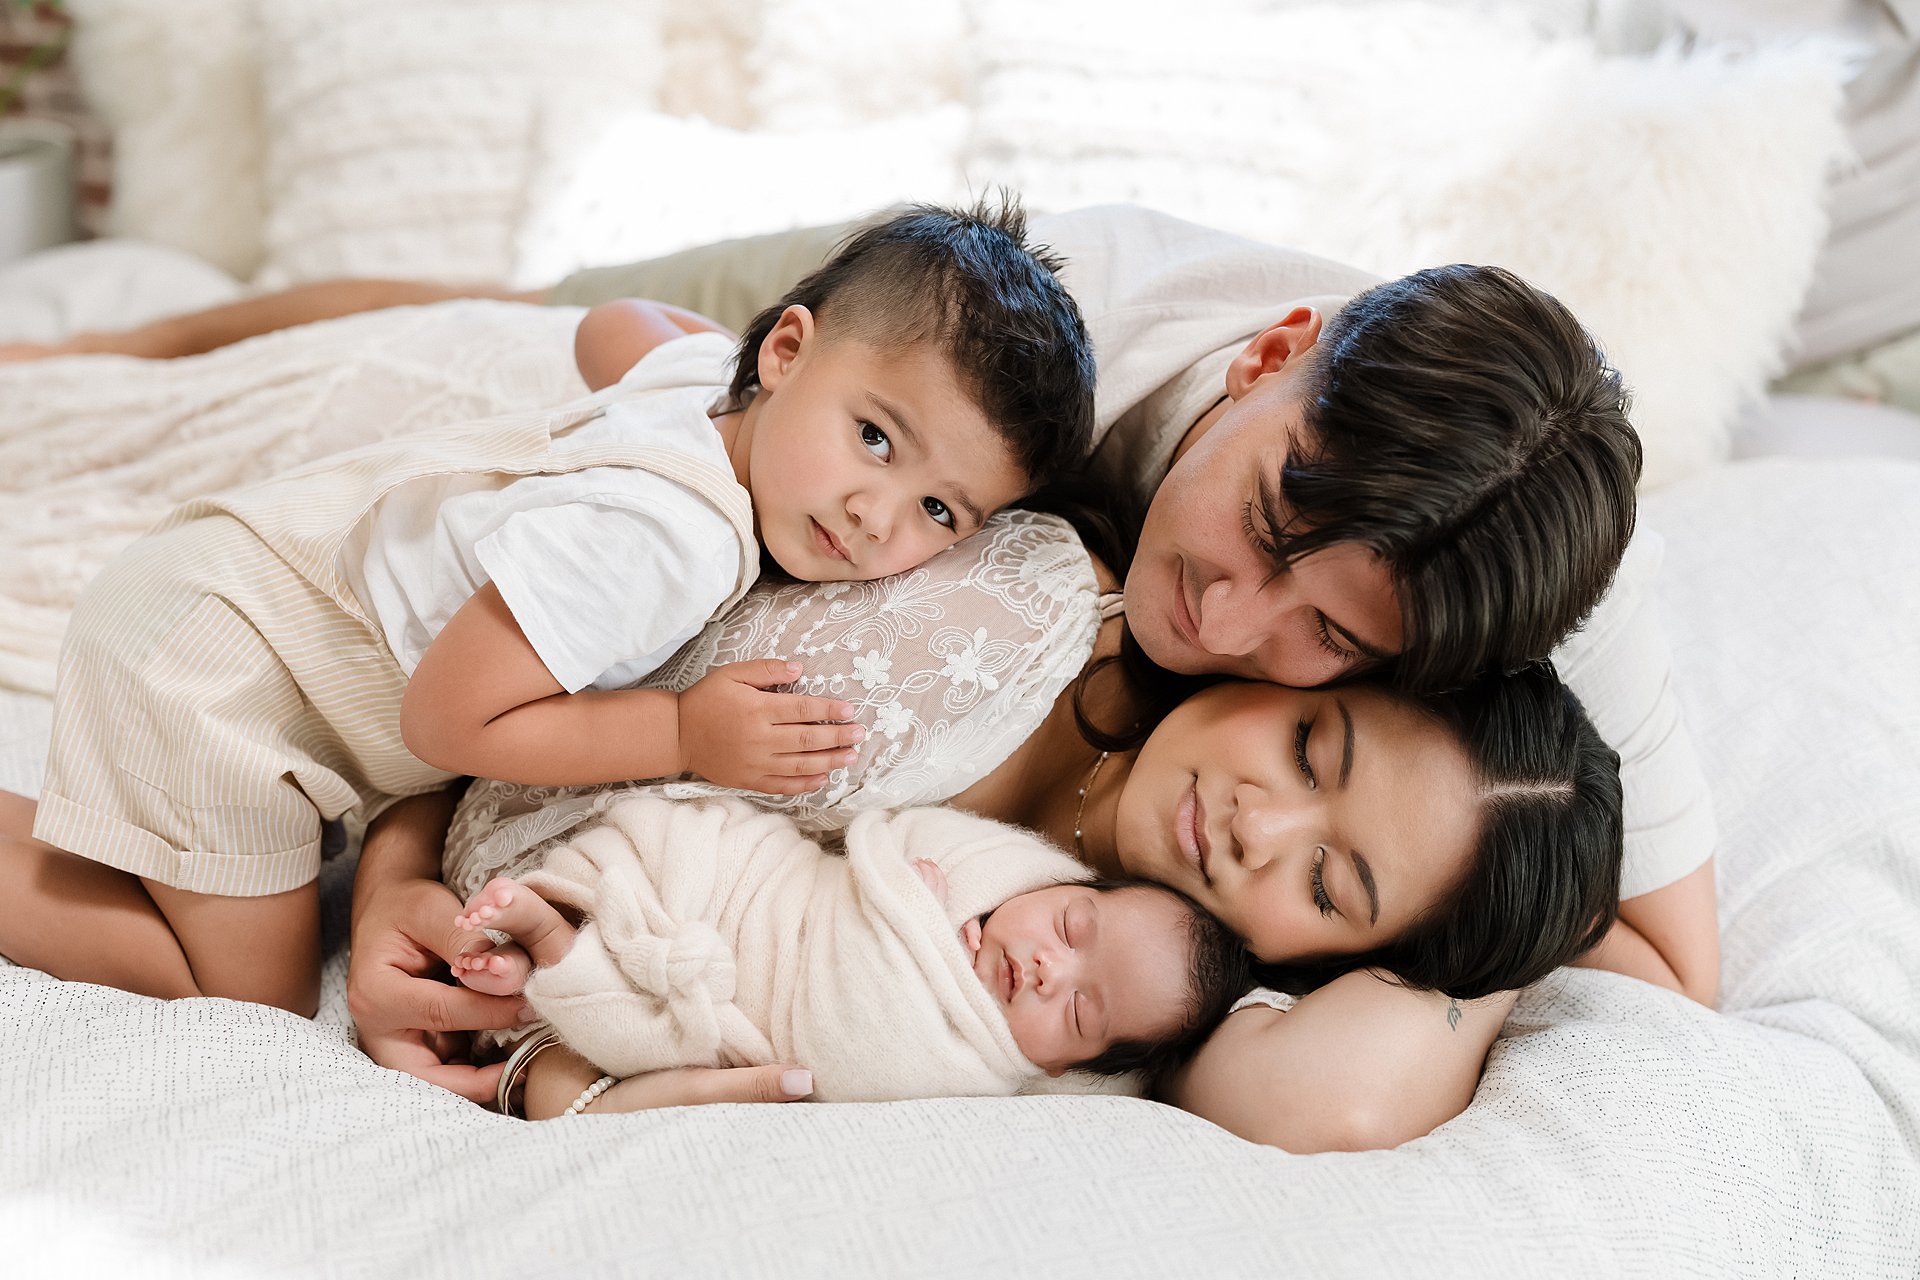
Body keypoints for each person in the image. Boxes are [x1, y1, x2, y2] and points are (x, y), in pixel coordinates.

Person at [2, 202, 1713, 1149]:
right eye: (1262, 528)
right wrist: (397, 852)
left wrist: (1473, 915)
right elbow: (657, 530)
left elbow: (1659, 971)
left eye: (1336, 643)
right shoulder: (1065, 377)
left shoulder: (1523, 636)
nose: (1234, 623)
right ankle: (99, 341)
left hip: (629, 636)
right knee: (582, 318)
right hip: (835, 395)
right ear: (1271, 364)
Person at [0, 201, 1096, 1015]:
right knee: (251, 996)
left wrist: (745, 372)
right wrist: (680, 729)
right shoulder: (668, 537)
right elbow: (447, 723)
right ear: (791, 348)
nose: (874, 515)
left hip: (226, 591)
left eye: (941, 509)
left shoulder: (695, 388)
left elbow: (608, 323)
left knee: (188, 892)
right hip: (221, 678)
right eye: (874, 436)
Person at [447, 795, 1252, 1108]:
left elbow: (863, 1067)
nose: (1050, 967)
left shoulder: (981, 1079)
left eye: (1081, 1010)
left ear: (1066, 1070)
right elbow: (874, 851)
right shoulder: (984, 866)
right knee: (688, 844)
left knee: (645, 1032)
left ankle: (549, 944)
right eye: (1073, 928)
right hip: (760, 895)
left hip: (740, 1018)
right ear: (1064, 883)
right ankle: (568, 908)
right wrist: (915, 904)